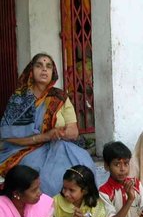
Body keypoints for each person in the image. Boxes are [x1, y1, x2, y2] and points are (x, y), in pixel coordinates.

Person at [0, 53, 96, 197]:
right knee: (45, 176)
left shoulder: (60, 97)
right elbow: (9, 136)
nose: (44, 69)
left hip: (58, 145)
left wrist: (61, 133)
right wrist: (45, 136)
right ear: (31, 71)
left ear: (53, 72)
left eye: (48, 66)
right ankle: (50, 208)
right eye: (39, 65)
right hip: (25, 149)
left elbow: (73, 131)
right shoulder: (20, 98)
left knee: (83, 163)